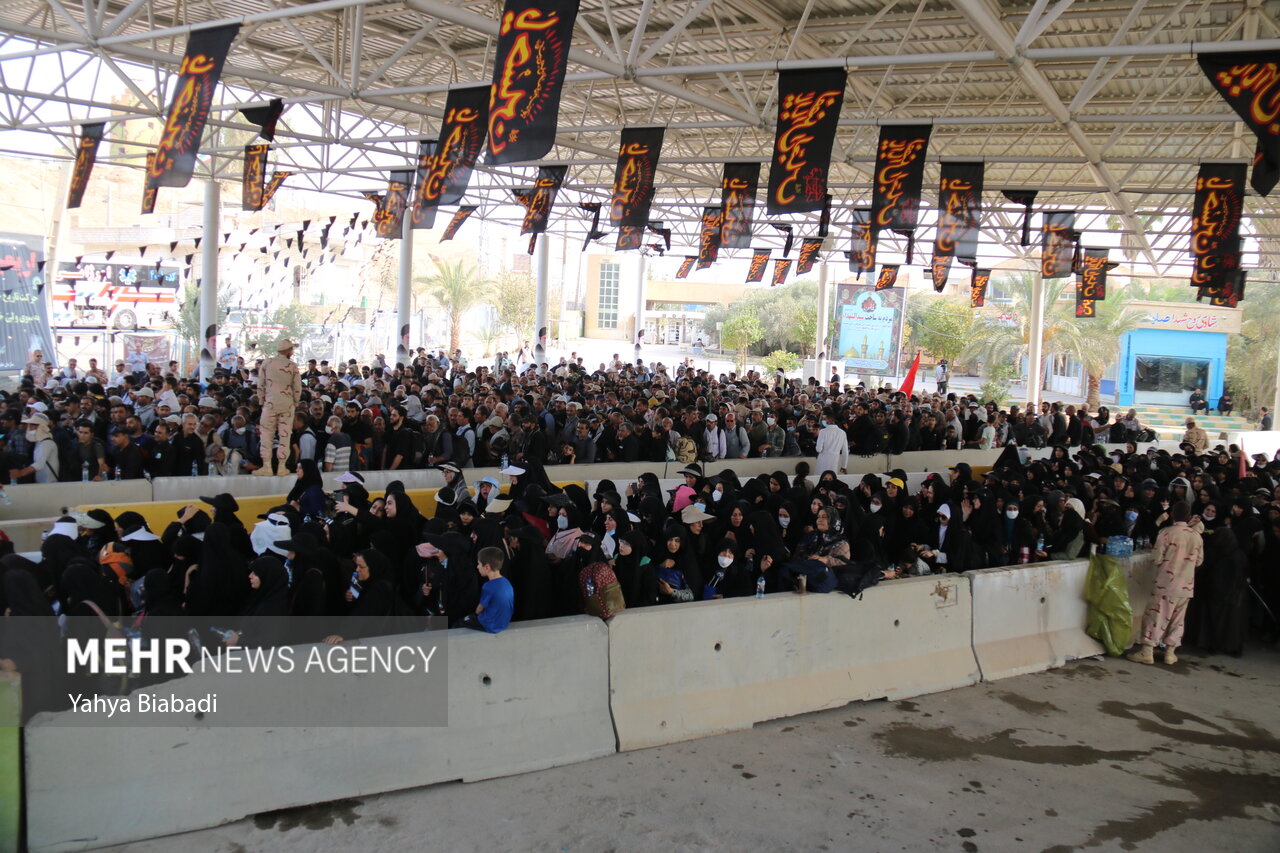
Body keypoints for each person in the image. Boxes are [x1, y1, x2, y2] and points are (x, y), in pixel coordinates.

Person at [1127, 502, 1204, 665]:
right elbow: (1199, 561)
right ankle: (1170, 653)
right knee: (1178, 620)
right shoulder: (1196, 536)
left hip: (1166, 584)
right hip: (1187, 586)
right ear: (1189, 517)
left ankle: (1147, 651)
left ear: (1173, 515)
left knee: (1156, 616)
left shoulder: (1166, 533)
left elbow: (1157, 558)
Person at [256, 338, 302, 475]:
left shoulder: (267, 363)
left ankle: (267, 466)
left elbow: (260, 384)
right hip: (287, 404)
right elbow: (297, 387)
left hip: (270, 403)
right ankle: (282, 466)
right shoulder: (292, 366)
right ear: (288, 350)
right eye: (291, 349)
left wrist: (261, 401)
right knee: (285, 435)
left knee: (266, 434)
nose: (292, 352)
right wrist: (295, 401)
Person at [814, 409, 848, 475]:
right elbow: (845, 451)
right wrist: (844, 466)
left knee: (820, 477)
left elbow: (818, 449)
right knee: (832, 478)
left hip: (823, 459)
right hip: (835, 460)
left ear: (830, 420)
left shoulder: (823, 432)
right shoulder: (842, 433)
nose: (823, 421)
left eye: (824, 419)